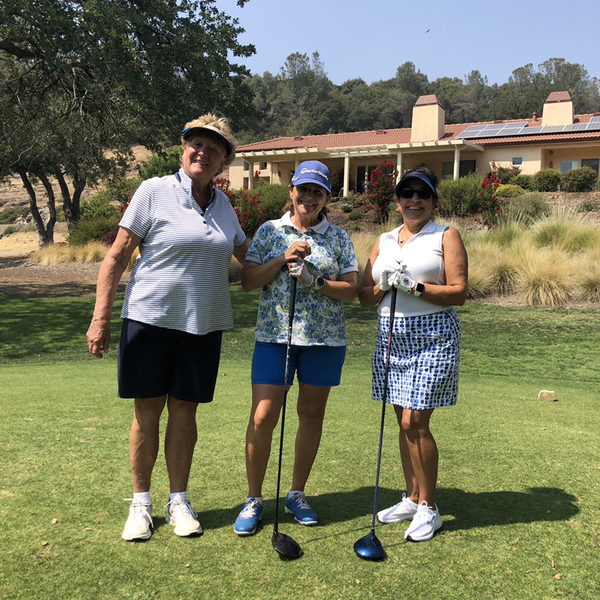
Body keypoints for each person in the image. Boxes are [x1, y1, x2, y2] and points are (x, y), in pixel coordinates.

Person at [86, 114, 249, 542]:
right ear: (183, 149)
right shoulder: (153, 191)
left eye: (213, 149)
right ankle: (141, 503)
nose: (203, 153)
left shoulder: (224, 206)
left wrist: (288, 256)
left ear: (224, 162)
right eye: (196, 144)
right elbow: (118, 256)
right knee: (147, 410)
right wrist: (101, 317)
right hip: (149, 319)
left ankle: (179, 501)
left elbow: (248, 260)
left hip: (203, 324)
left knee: (184, 411)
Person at [233, 160, 358, 536]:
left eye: (318, 192)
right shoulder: (270, 231)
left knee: (311, 415)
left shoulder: (338, 238)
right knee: (262, 417)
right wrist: (282, 258)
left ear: (327, 198)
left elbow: (350, 290)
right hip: (275, 337)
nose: (309, 197)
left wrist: (314, 280)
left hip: (324, 341)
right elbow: (248, 281)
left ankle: (296, 494)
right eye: (303, 189)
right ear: (291, 191)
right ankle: (254, 498)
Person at [358, 166, 468, 542]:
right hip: (392, 338)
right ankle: (412, 496)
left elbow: (458, 292)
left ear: (434, 200)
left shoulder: (445, 234)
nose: (414, 199)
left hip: (434, 337)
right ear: (398, 201)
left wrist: (413, 286)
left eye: (423, 193)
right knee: (402, 422)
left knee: (414, 422)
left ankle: (429, 508)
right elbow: (364, 296)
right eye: (407, 193)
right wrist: (384, 285)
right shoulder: (384, 239)